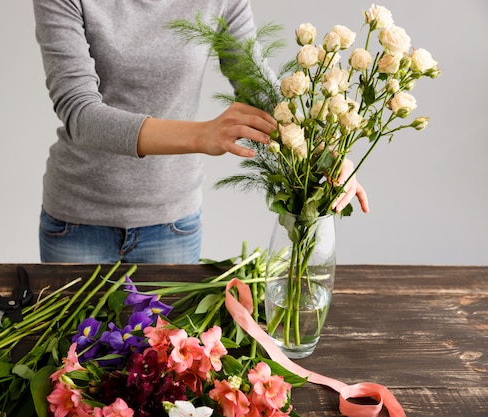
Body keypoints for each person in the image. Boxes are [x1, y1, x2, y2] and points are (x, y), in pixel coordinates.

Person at [32, 0, 368, 264]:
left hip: (171, 224)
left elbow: (258, 88)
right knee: (74, 352)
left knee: (169, 352)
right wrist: (203, 135)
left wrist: (326, 153)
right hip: (77, 222)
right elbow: (80, 114)